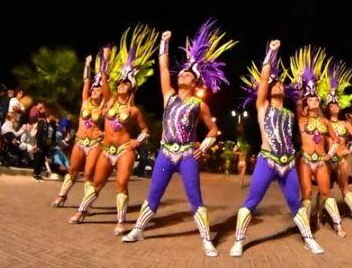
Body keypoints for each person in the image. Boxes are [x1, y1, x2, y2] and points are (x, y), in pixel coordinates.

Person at [123, 21, 235, 258]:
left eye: (187, 74)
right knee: (154, 193)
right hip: (165, 152)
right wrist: (164, 43)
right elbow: (164, 69)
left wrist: (203, 146)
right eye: (182, 72)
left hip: (186, 155)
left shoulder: (199, 104)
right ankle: (138, 229)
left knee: (195, 197)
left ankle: (206, 239)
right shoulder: (169, 96)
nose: (182, 74)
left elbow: (213, 130)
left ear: (194, 82)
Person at [229, 40, 324, 257]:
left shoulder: (290, 114)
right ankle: (238, 240)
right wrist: (272, 52)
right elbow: (264, 78)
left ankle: (308, 238)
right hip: (267, 160)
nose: (279, 85)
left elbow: (306, 107)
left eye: (281, 84)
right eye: (275, 84)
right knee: (252, 201)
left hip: (287, 163)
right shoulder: (262, 106)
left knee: (294, 202)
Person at [70, 25, 156, 235]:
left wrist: (138, 140)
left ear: (131, 88)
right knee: (97, 182)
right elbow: (104, 77)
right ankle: (82, 211)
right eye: (120, 83)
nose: (121, 85)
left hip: (125, 150)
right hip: (106, 149)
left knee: (120, 183)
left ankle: (121, 221)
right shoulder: (108, 102)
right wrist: (106, 59)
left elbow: (146, 130)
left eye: (125, 83)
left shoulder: (134, 110)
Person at [289, 47, 345, 237]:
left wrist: (331, 153)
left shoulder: (325, 121)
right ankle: (306, 228)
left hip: (321, 159)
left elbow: (336, 139)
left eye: (315, 98)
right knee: (306, 193)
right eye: (310, 99)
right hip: (304, 159)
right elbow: (297, 102)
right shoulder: (301, 119)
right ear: (306, 103)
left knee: (326, 191)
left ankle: (337, 225)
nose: (313, 100)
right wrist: (298, 84)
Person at [51, 53, 111, 207]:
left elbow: (112, 123)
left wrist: (106, 61)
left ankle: (86, 203)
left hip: (94, 143)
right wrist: (87, 64)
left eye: (98, 89)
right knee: (72, 170)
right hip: (79, 141)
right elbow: (86, 81)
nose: (94, 90)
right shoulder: (85, 101)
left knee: (89, 174)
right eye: (93, 88)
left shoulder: (104, 107)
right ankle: (62, 196)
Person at [323, 59, 352, 222]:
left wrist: (351, 150)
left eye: (337, 104)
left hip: (342, 159)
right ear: (328, 108)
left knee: (344, 187)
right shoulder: (325, 123)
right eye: (332, 105)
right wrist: (331, 152)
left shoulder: (345, 123)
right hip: (329, 159)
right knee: (325, 188)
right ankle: (321, 212)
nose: (335, 107)